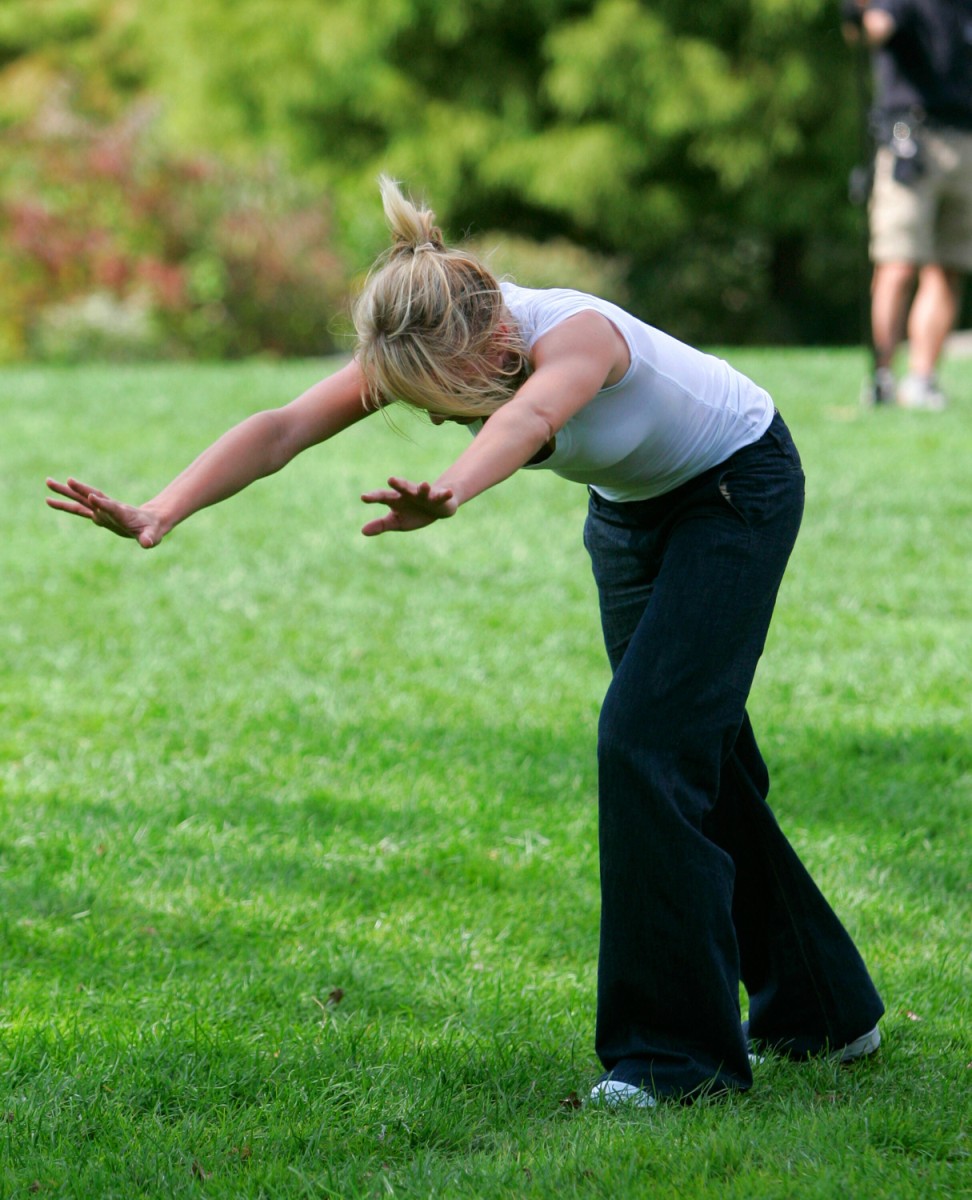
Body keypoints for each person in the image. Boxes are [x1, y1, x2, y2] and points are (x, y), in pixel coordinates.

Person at [46, 177, 885, 1106]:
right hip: (631, 519)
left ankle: (675, 1063)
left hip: (735, 493)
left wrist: (452, 489)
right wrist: (164, 507)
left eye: (449, 404)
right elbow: (285, 428)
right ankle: (824, 1013)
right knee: (696, 759)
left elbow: (528, 418)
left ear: (495, 344)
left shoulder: (575, 336)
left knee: (646, 745)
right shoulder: (434, 331)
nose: (447, 417)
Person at [842, 0, 972, 410]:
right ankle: (882, 376)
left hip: (966, 140)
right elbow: (872, 28)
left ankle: (922, 379)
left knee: (949, 267)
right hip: (910, 141)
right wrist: (857, 15)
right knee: (897, 264)